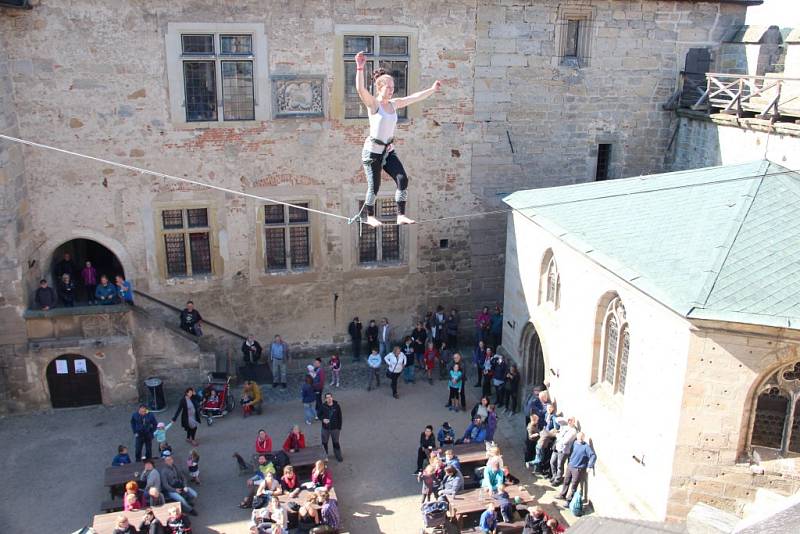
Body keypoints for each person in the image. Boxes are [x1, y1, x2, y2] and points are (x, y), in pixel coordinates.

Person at [353, 50, 441, 227]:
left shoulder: (394, 104)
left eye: (393, 88)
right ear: (379, 88)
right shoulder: (374, 105)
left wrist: (432, 90)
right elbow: (360, 90)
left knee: (402, 179)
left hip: (387, 151)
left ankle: (400, 215)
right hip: (372, 154)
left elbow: (413, 98)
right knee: (374, 186)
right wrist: (360, 68)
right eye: (388, 88)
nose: (392, 91)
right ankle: (369, 216)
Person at [559, 432, 596, 504]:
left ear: (583, 438)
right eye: (579, 437)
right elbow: (571, 451)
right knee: (566, 481)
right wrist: (569, 461)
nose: (580, 439)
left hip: (578, 469)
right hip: (570, 466)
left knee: (574, 485)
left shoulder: (586, 447)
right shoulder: (575, 443)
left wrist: (589, 466)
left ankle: (568, 501)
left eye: (581, 437)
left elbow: (593, 456)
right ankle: (562, 495)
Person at [550, 417, 578, 486]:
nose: (569, 422)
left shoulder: (573, 431)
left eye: (571, 421)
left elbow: (565, 441)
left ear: (574, 422)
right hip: (557, 447)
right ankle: (554, 476)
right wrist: (566, 419)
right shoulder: (565, 427)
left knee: (560, 465)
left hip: (563, 450)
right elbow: (557, 420)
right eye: (569, 420)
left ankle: (558, 480)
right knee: (552, 462)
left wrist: (557, 435)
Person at [318, 392, 343, 462]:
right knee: (324, 443)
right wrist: (323, 419)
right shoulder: (323, 406)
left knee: (336, 442)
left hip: (335, 429)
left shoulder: (337, 406)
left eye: (330, 397)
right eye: (327, 398)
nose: (329, 399)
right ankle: (325, 456)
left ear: (332, 398)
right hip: (325, 429)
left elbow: (340, 417)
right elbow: (319, 415)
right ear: (325, 399)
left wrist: (339, 427)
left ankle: (338, 455)